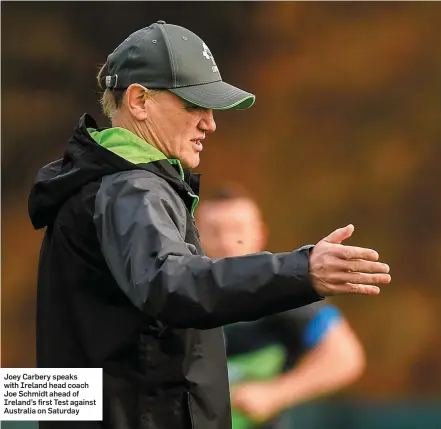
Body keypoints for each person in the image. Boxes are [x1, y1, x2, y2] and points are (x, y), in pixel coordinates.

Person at [28, 21, 391, 429]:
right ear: (139, 100)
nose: (210, 123)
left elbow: (62, 372)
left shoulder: (86, 186)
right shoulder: (132, 188)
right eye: (194, 105)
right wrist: (302, 269)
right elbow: (171, 284)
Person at [196, 185, 367, 429]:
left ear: (260, 234)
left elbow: (345, 356)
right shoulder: (168, 296)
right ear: (193, 235)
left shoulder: (281, 296)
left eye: (238, 230)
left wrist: (275, 394)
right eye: (213, 231)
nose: (226, 242)